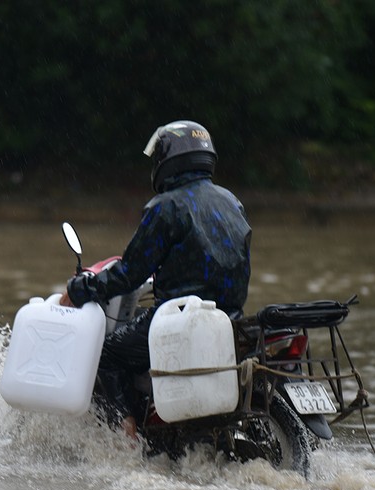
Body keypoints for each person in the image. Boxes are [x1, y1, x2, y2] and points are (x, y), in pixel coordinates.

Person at [61, 120, 252, 439]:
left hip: (177, 319)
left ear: (168, 160)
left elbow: (129, 273)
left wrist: (81, 289)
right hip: (227, 318)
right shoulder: (231, 201)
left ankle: (127, 440)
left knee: (106, 353)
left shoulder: (166, 206)